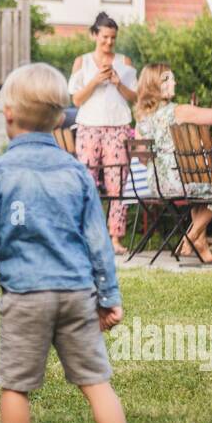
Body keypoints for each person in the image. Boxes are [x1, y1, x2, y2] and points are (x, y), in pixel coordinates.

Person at [0, 63, 140, 423]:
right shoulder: (76, 171)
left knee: (15, 387)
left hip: (25, 297)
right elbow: (99, 242)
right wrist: (108, 296)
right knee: (97, 382)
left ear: (8, 114)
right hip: (77, 293)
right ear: (61, 118)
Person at [132, 62, 212, 263]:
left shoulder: (142, 117)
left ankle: (202, 246)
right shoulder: (178, 111)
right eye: (170, 78)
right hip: (180, 180)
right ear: (158, 84)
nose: (175, 82)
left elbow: (141, 156)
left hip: (156, 183)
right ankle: (191, 237)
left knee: (199, 189)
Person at [68, 13, 137, 255]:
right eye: (105, 37)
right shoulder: (82, 62)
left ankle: (115, 238)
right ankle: (85, 236)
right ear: (94, 35)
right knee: (86, 182)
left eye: (113, 38)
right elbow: (76, 99)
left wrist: (118, 83)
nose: (109, 43)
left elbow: (135, 98)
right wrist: (95, 81)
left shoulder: (124, 62)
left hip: (118, 126)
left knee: (117, 183)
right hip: (88, 126)